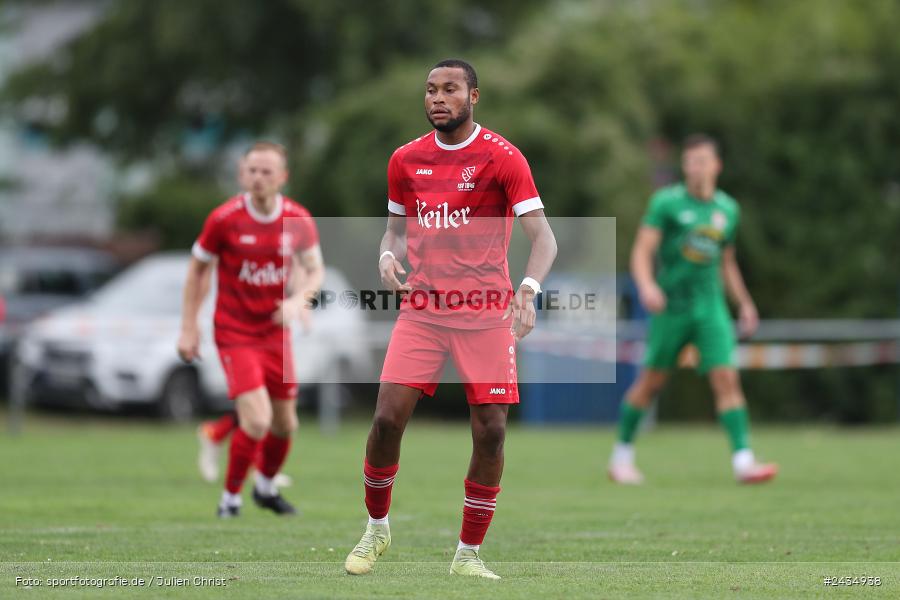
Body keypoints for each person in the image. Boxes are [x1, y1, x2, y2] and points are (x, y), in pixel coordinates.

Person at [344, 59, 557, 580]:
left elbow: (544, 238)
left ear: (473, 96)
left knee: (491, 432)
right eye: (431, 90)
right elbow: (394, 232)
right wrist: (386, 256)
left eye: (450, 89)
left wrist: (528, 290)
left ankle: (468, 554)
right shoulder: (405, 159)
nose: (437, 98)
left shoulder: (503, 157)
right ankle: (376, 529)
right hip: (423, 311)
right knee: (386, 418)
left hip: (486, 313)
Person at [608, 134, 777, 485]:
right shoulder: (666, 203)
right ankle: (621, 457)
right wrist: (647, 285)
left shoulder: (727, 209)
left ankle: (743, 462)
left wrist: (744, 302)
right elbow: (642, 251)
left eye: (702, 161)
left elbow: (726, 262)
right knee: (651, 383)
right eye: (689, 162)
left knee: (726, 377)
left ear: (717, 166)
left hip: (710, 307)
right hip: (672, 307)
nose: (695, 168)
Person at [177, 141, 323, 517]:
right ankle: (230, 499)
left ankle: (265, 487)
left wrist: (298, 300)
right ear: (242, 174)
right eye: (251, 171)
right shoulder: (224, 219)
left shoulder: (297, 218)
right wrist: (188, 327)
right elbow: (197, 271)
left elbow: (314, 270)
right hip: (235, 332)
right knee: (257, 420)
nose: (258, 178)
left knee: (285, 424)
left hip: (275, 333)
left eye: (266, 171)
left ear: (282, 177)